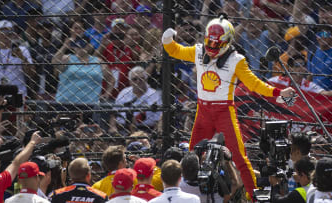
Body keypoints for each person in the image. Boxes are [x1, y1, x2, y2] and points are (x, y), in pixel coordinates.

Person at [161, 14, 296, 198]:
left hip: (224, 111)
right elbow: (176, 51)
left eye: (216, 45)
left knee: (240, 158)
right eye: (209, 43)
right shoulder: (199, 51)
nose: (211, 49)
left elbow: (254, 83)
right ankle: (185, 196)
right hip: (203, 111)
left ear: (227, 42)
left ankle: (254, 198)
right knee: (192, 158)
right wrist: (168, 41)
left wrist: (277, 92)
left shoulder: (236, 60)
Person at [53, 19, 114, 105]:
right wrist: (64, 46)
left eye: (83, 44)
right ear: (74, 46)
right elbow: (54, 62)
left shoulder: (97, 61)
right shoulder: (67, 59)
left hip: (90, 105)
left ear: (90, 46)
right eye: (77, 44)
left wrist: (107, 93)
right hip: (66, 104)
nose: (80, 46)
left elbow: (111, 79)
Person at [0, 20, 35, 98]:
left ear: (13, 34)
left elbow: (31, 74)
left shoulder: (22, 50)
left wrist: (23, 58)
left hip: (18, 95)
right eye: (3, 31)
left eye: (9, 31)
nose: (6, 34)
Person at [109, 66, 162, 134]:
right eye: (134, 79)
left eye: (141, 79)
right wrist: (112, 127)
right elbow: (113, 113)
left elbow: (160, 118)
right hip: (124, 129)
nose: (138, 81)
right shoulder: (124, 92)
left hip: (147, 130)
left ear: (145, 80)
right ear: (130, 81)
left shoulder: (154, 94)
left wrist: (156, 133)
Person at [307, 1, 332, 91]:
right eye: (319, 34)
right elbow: (310, 76)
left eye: (326, 34)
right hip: (315, 93)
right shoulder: (313, 52)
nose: (322, 37)